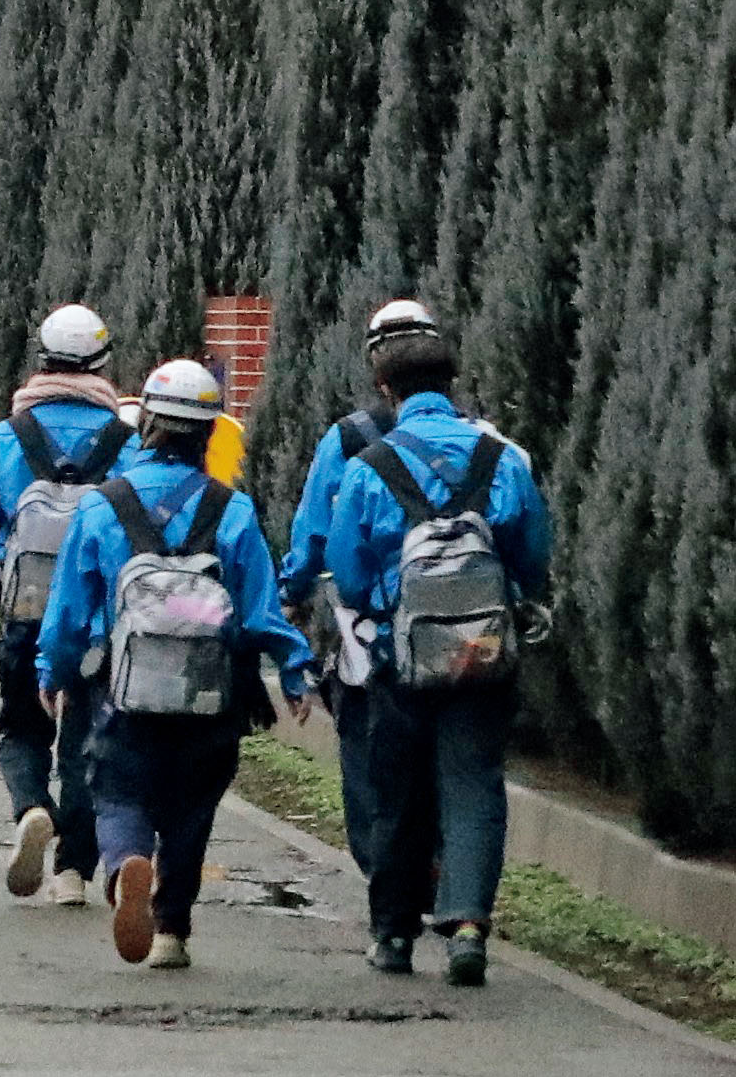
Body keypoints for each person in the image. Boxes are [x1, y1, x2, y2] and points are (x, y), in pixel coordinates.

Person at [37, 360, 315, 970]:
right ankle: (171, 930)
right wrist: (294, 669)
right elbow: (262, 610)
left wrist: (52, 672)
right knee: (192, 806)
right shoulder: (232, 510)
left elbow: (69, 609)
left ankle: (124, 870)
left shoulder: (102, 506)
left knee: (116, 792)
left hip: (124, 688)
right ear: (209, 433)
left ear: (148, 426)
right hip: (211, 695)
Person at [326, 331, 551, 987]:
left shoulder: (370, 463)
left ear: (385, 391)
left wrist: (378, 608)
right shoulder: (499, 458)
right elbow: (529, 549)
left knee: (396, 787)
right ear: (451, 385)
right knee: (474, 779)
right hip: (482, 647)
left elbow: (347, 568)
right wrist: (509, 597)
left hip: (403, 651)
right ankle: (467, 926)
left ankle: (393, 934)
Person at [0, 304, 137, 906]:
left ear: (42, 361)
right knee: (87, 741)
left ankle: (32, 807)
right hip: (100, 621)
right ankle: (73, 873)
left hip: (26, 610)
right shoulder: (125, 443)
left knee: (21, 728)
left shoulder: (9, 438)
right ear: (103, 364)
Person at [278, 299, 442, 875]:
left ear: (378, 369)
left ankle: (383, 874)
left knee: (365, 741)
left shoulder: (350, 438)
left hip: (370, 628)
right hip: (464, 630)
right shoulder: (474, 434)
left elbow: (316, 532)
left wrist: (293, 594)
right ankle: (439, 864)